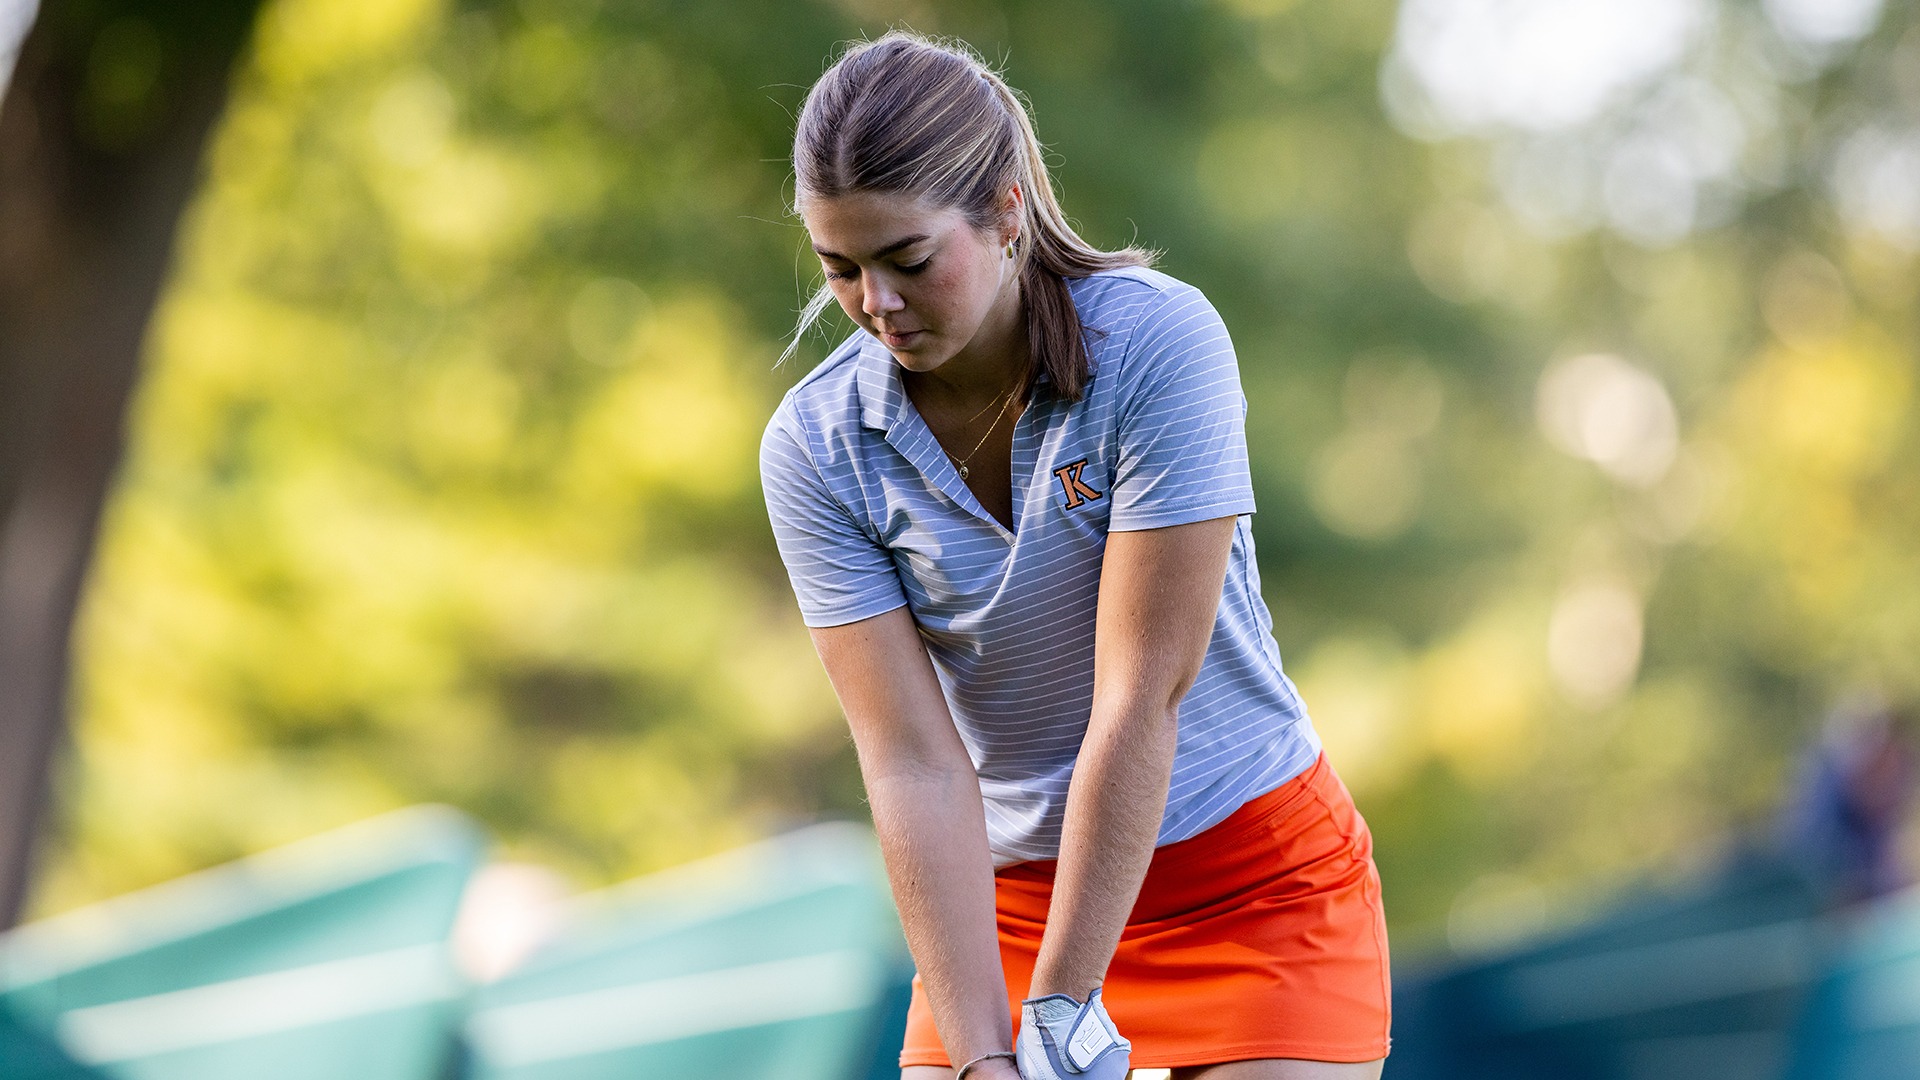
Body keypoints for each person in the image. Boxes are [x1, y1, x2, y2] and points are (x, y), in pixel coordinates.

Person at [760, 32, 1390, 1080]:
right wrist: (984, 1058)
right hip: (1006, 906)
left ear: (1006, 210)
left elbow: (1140, 695)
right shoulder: (815, 448)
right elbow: (911, 762)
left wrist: (1060, 1013)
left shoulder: (1158, 344)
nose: (877, 305)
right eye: (841, 271)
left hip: (1250, 885)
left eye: (909, 261)